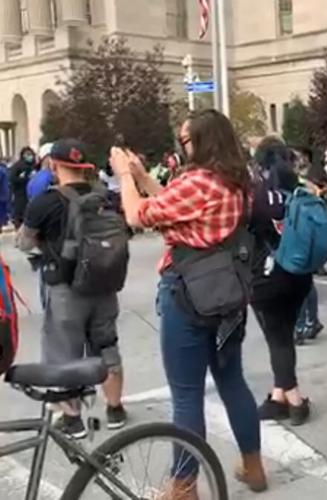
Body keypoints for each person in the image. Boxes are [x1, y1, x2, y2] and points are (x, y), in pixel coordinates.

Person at [110, 110, 267, 493]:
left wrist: (125, 178)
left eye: (186, 139)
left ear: (203, 139)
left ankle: (183, 485)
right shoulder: (239, 182)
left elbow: (136, 215)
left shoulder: (197, 181)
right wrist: (145, 176)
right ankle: (253, 466)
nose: (182, 146)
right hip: (227, 294)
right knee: (233, 382)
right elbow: (177, 205)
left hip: (188, 295)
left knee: (186, 394)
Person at [15, 139, 127, 438]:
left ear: (54, 164)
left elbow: (24, 242)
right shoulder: (104, 197)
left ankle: (72, 418)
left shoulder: (46, 202)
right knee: (107, 345)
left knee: (63, 354)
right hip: (104, 285)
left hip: (66, 289)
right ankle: (115, 408)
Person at [248, 137, 315, 426]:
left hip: (267, 274)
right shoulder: (301, 189)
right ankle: (279, 396)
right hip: (299, 272)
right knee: (283, 336)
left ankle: (295, 400)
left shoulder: (255, 195)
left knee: (277, 339)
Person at [295, 166, 327, 342]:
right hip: (309, 238)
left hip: (300, 238)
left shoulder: (299, 187)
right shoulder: (308, 188)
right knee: (306, 282)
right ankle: (312, 321)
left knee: (298, 283)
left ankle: (301, 325)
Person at [10, 146, 38, 229]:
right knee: (20, 216)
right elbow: (12, 179)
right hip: (20, 196)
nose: (30, 156)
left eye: (31, 154)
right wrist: (26, 179)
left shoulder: (34, 166)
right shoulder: (17, 166)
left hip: (32, 197)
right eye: (27, 154)